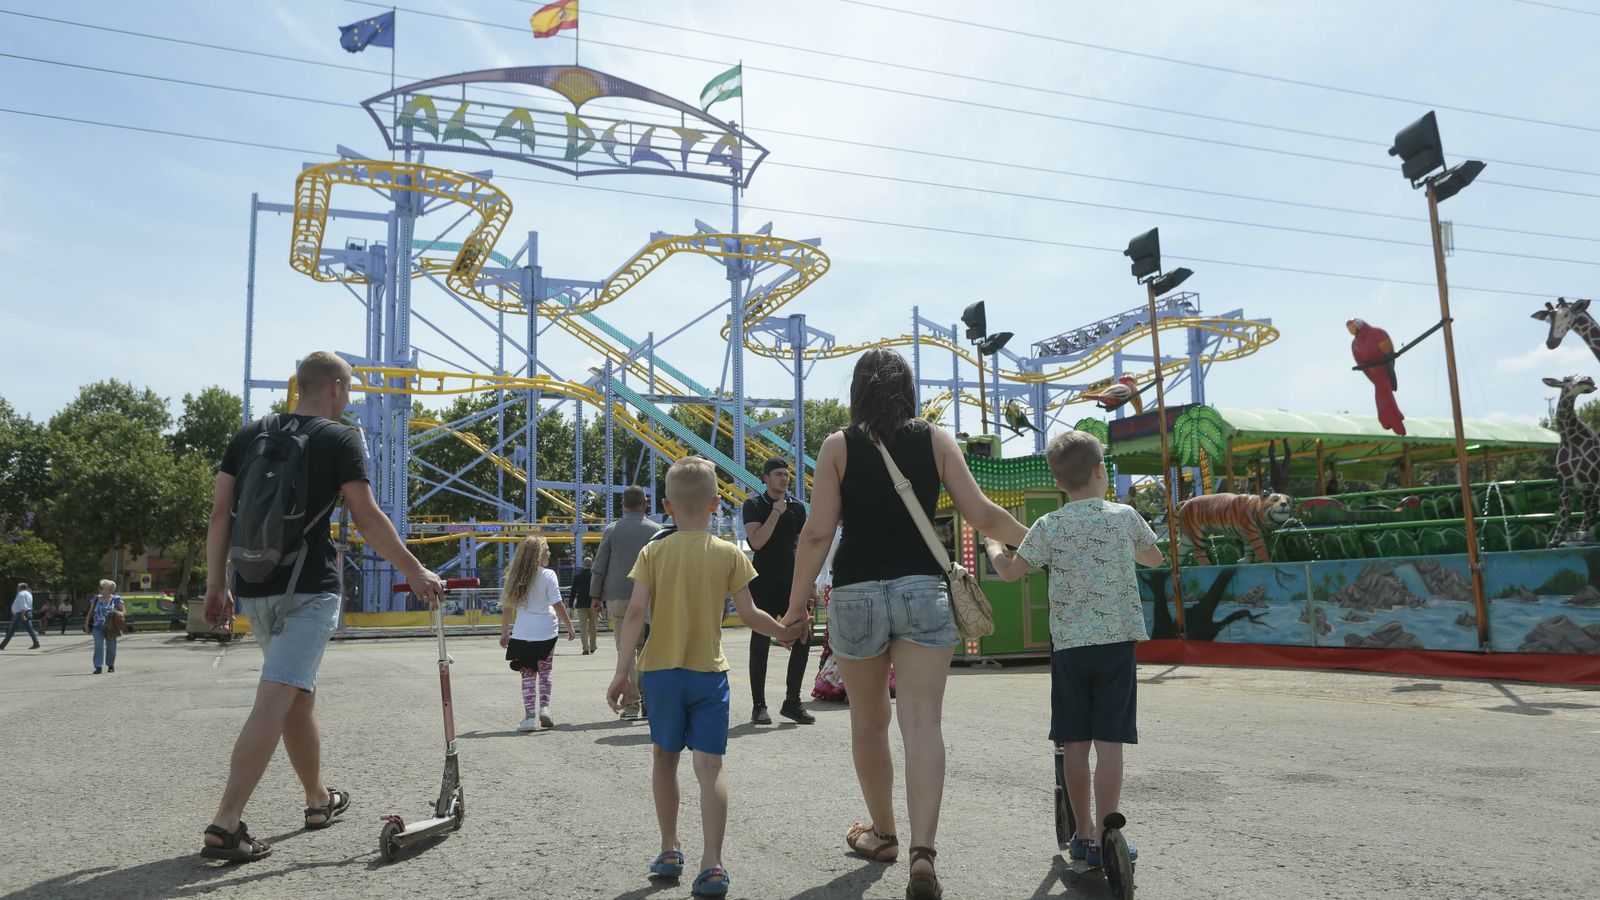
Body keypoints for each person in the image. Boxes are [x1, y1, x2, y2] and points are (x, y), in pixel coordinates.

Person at [784, 348, 1029, 900]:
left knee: (868, 723)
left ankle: (883, 833)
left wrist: (796, 606)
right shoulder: (936, 439)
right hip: (923, 589)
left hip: (855, 595)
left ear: (856, 391)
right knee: (922, 725)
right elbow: (982, 514)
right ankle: (923, 853)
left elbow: (818, 534)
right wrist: (1037, 544)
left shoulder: (837, 446)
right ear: (908, 388)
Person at [199, 351, 445, 863]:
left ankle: (318, 799)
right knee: (275, 697)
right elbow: (368, 517)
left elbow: (221, 513)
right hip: (308, 587)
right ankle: (225, 824)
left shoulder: (250, 435)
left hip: (255, 584)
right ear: (334, 387)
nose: (349, 398)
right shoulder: (340, 439)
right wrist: (413, 570)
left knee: (295, 695)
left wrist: (216, 584)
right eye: (349, 389)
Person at [606, 457, 809, 898]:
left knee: (664, 758)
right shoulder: (729, 553)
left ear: (666, 506)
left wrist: (623, 673)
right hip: (708, 674)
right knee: (710, 767)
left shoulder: (653, 552)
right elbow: (752, 613)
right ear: (717, 504)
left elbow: (636, 614)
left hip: (660, 673)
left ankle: (669, 849)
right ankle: (713, 865)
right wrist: (786, 633)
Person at [984, 430, 1163, 867]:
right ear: (1102, 471)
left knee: (1076, 744)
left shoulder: (1049, 526)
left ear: (1060, 484)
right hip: (1116, 647)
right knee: (1111, 744)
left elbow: (1010, 573)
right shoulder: (1124, 517)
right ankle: (1109, 833)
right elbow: (1154, 558)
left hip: (1069, 651)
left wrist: (992, 546)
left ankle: (1083, 835)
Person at [741, 457, 815, 725]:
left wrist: (811, 584)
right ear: (765, 478)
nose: (784, 479)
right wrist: (775, 512)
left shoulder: (797, 508)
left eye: (787, 474)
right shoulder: (753, 505)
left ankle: (792, 701)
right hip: (762, 581)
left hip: (791, 581)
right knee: (760, 642)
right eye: (778, 474)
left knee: (803, 636)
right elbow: (757, 542)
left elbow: (804, 548)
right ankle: (758, 705)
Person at [591, 485, 661, 719]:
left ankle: (631, 704)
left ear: (623, 505)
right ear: (646, 503)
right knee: (649, 651)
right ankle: (650, 701)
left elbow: (600, 566)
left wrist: (595, 595)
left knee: (626, 652)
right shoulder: (657, 530)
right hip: (651, 596)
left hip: (618, 596)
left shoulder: (612, 530)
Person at [499, 536, 577, 731]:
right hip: (546, 631)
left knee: (527, 673)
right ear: (539, 554)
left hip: (523, 632)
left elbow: (508, 607)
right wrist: (569, 626)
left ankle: (529, 718)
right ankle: (544, 708)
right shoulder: (549, 575)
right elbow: (557, 603)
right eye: (547, 550)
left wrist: (504, 633)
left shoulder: (514, 576)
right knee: (546, 670)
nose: (549, 553)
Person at [84, 580, 123, 671]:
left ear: (109, 590)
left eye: (101, 588)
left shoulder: (116, 599)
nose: (99, 589)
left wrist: (114, 613)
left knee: (111, 647)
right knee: (98, 646)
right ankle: (98, 666)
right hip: (97, 627)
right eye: (100, 587)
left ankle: (110, 665)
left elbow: (123, 612)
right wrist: (86, 626)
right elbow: (90, 613)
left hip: (111, 627)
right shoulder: (96, 599)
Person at [570, 556, 597, 654]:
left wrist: (570, 605)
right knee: (593, 626)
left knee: (583, 627)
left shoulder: (578, 577)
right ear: (592, 564)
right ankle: (593, 646)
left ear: (582, 564)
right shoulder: (595, 576)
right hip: (593, 604)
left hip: (581, 604)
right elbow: (600, 590)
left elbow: (573, 592)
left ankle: (585, 648)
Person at [1, 582, 39, 650]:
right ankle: (36, 643)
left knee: (11, 630)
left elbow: (23, 605)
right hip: (28, 612)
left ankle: (2, 645)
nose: (16, 588)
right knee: (30, 630)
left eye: (18, 587)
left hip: (21, 614)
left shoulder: (21, 594)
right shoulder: (29, 594)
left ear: (21, 587)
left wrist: (23, 614)